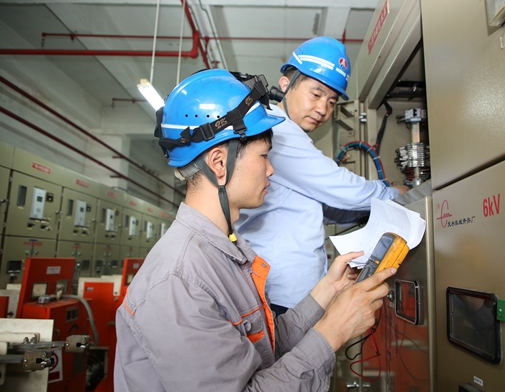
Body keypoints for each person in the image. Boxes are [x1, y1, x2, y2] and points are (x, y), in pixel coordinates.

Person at [113, 69, 397, 391]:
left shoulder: (225, 251)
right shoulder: (178, 282)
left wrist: (328, 290)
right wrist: (334, 330)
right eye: (264, 156)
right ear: (219, 163)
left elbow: (265, 348)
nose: (271, 169)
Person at [236, 36, 406, 315]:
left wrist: (365, 212)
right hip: (281, 292)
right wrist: (395, 193)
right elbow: (342, 189)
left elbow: (317, 206)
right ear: (285, 84)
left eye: (331, 101)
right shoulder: (278, 131)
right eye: (316, 94)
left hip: (289, 289)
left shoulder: (286, 133)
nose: (322, 109)